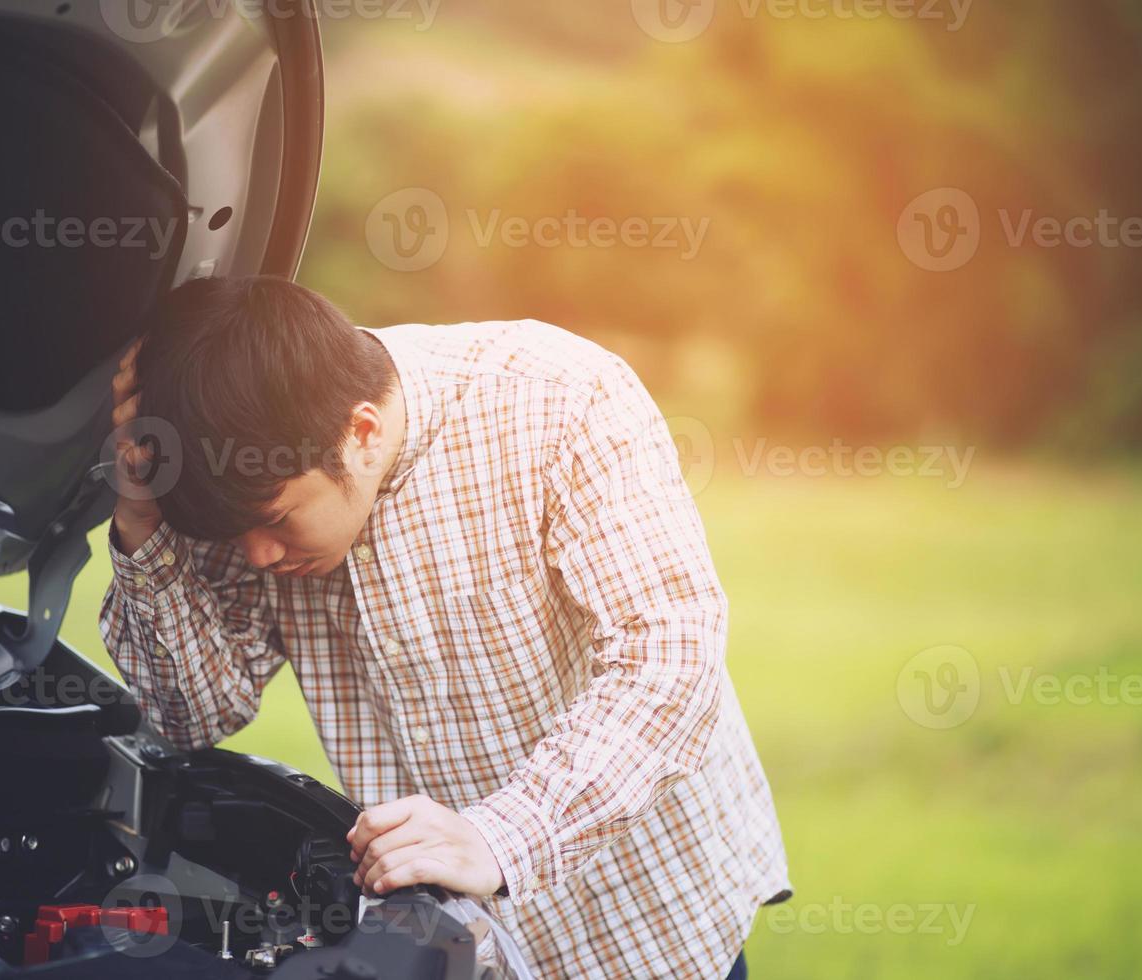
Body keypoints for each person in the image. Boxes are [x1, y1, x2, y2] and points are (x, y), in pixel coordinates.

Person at [99, 274, 790, 979]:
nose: (257, 555)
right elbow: (192, 717)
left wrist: (502, 837)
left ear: (362, 433)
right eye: (234, 531)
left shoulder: (560, 398)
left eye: (276, 520)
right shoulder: (244, 478)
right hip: (447, 951)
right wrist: (143, 529)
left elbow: (670, 656)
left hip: (644, 929)